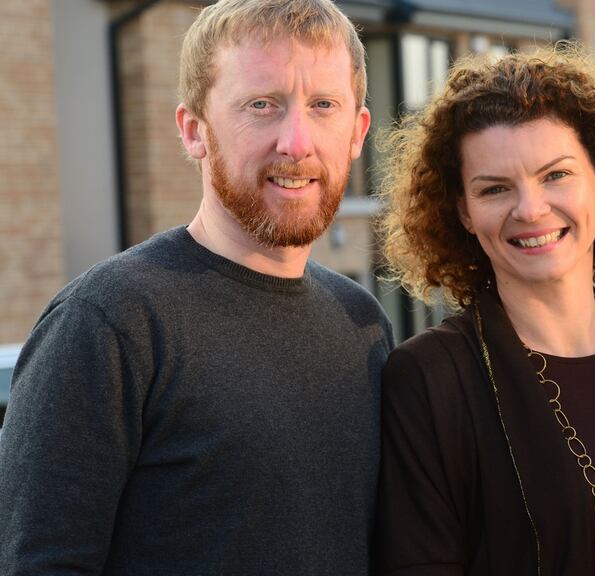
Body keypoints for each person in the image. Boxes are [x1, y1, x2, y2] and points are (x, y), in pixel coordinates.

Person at [0, 1, 392, 574]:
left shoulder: (362, 326)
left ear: (357, 132)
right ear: (194, 131)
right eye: (262, 105)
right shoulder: (109, 321)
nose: (296, 142)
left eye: (323, 106)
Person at [374, 43, 595, 575]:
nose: (530, 209)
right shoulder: (430, 381)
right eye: (495, 188)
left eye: (556, 175)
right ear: (464, 214)